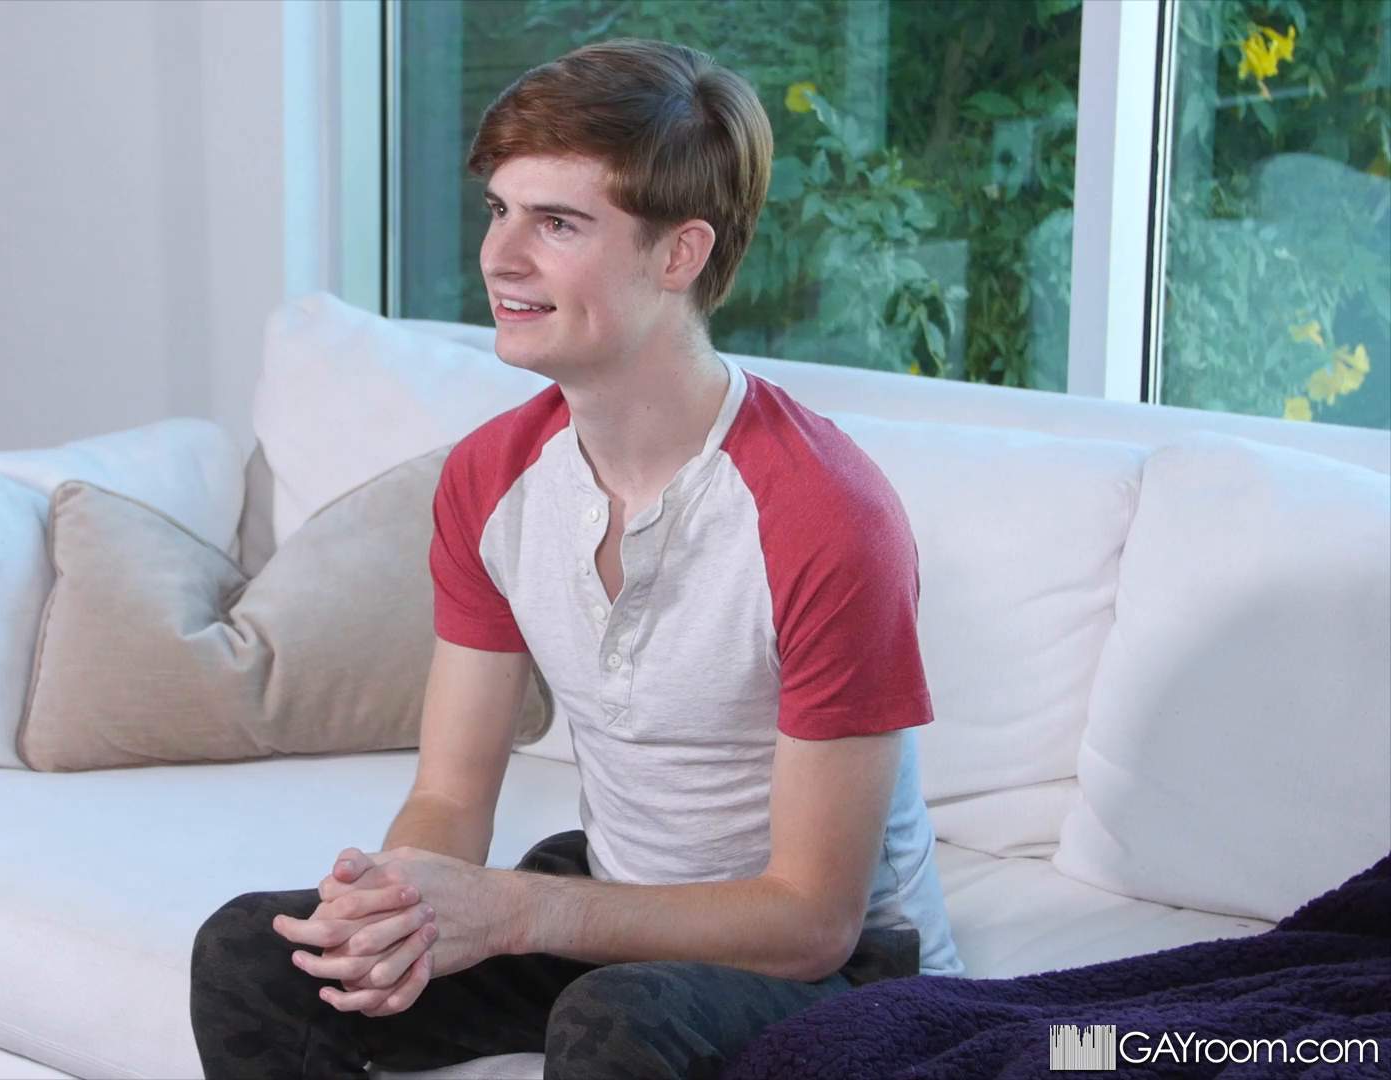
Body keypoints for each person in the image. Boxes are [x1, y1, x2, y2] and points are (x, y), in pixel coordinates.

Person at [190, 37, 962, 1080]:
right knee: (251, 956)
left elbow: (813, 920)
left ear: (679, 254)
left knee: (613, 1021)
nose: (501, 257)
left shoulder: (827, 517)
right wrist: (397, 905)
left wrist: (517, 909)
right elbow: (451, 796)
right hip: (619, 908)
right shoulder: (491, 479)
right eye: (498, 210)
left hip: (839, 969)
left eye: (556, 223)